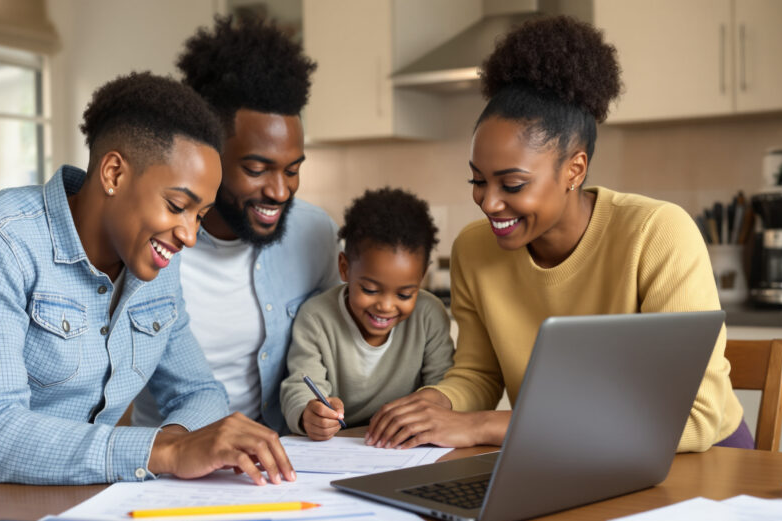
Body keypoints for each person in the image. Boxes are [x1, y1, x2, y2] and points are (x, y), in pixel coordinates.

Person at [0, 72, 295, 502]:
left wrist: (181, 443)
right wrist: (165, 450)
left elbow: (200, 392)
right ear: (114, 173)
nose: (190, 236)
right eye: (177, 206)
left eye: (200, 215)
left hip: (81, 513)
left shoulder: (156, 266)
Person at [366, 16, 749, 453]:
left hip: (702, 466)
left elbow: (693, 418)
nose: (489, 203)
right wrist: (431, 405)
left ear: (574, 170)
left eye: (511, 185)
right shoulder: (474, 250)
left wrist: (487, 427)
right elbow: (478, 374)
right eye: (477, 181)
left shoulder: (657, 235)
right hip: (563, 455)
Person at [130, 16, 340, 433]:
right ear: (208, 154)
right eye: (257, 168)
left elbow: (335, 345)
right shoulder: (150, 248)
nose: (280, 191)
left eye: (293, 169)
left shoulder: (314, 235)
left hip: (288, 459)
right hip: (173, 463)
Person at [280, 188, 455, 440]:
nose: (385, 306)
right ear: (344, 268)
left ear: (422, 278)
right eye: (370, 289)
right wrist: (310, 413)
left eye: (404, 294)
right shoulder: (316, 318)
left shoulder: (430, 315)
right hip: (340, 444)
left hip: (406, 443)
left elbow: (446, 387)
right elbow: (300, 385)